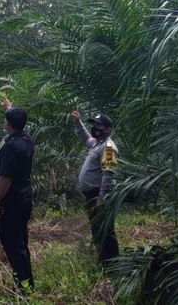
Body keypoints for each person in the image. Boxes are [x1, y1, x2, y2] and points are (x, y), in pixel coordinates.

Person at [0, 98, 35, 292]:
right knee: (21, 244)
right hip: (24, 200)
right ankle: (26, 284)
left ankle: (24, 290)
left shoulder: (11, 148)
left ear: (9, 124)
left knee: (13, 246)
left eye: (6, 120)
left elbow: (5, 179)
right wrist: (10, 109)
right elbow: (16, 121)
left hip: (11, 203)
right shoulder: (27, 140)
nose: (3, 123)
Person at [71, 110, 119, 262]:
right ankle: (103, 258)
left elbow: (108, 175)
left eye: (100, 125)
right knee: (97, 227)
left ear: (108, 129)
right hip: (92, 195)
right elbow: (86, 138)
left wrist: (102, 198)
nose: (96, 127)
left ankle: (111, 263)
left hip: (99, 194)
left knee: (106, 229)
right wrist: (78, 122)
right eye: (95, 124)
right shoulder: (98, 144)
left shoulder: (109, 148)